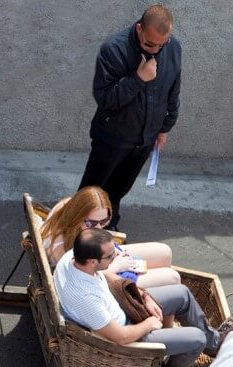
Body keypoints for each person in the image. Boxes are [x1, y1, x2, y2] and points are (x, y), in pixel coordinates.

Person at [53, 228, 233, 367]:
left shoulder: (73, 257)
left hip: (122, 305)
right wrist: (149, 324)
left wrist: (144, 295)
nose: (116, 256)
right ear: (92, 261)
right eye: (111, 255)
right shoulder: (85, 298)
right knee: (196, 338)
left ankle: (215, 343)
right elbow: (120, 337)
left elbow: (107, 276)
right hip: (128, 334)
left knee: (182, 294)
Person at [79, 4, 181, 230]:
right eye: (149, 44)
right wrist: (138, 78)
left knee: (118, 191)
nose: (155, 50)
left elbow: (173, 91)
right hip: (112, 138)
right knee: (91, 194)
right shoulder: (113, 49)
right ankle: (75, 238)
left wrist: (164, 128)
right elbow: (105, 100)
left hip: (145, 140)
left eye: (161, 45)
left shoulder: (173, 48)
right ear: (139, 29)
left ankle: (107, 233)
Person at [38, 186, 181, 288]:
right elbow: (82, 280)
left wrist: (113, 252)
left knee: (165, 252)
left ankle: (161, 297)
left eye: (104, 221)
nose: (99, 228)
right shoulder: (63, 250)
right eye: (92, 223)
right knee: (172, 277)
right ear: (77, 217)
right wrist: (116, 266)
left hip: (103, 260)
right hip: (99, 282)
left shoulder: (68, 204)